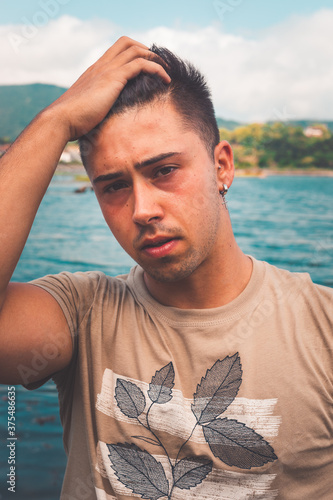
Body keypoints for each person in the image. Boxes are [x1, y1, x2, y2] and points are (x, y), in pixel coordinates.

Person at [0, 36, 332, 500]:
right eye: (113, 185)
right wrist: (57, 120)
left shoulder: (323, 326)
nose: (142, 209)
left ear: (222, 167)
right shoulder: (81, 316)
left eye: (164, 171)